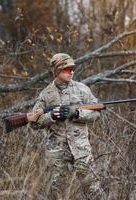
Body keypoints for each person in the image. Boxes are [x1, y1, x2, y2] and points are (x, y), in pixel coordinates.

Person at [30, 53, 101, 197]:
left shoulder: (82, 90)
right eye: (67, 69)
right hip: (57, 152)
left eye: (72, 69)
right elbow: (34, 122)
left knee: (93, 190)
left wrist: (76, 114)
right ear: (57, 71)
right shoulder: (46, 95)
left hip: (81, 149)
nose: (72, 72)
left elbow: (96, 113)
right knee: (58, 192)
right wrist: (52, 116)